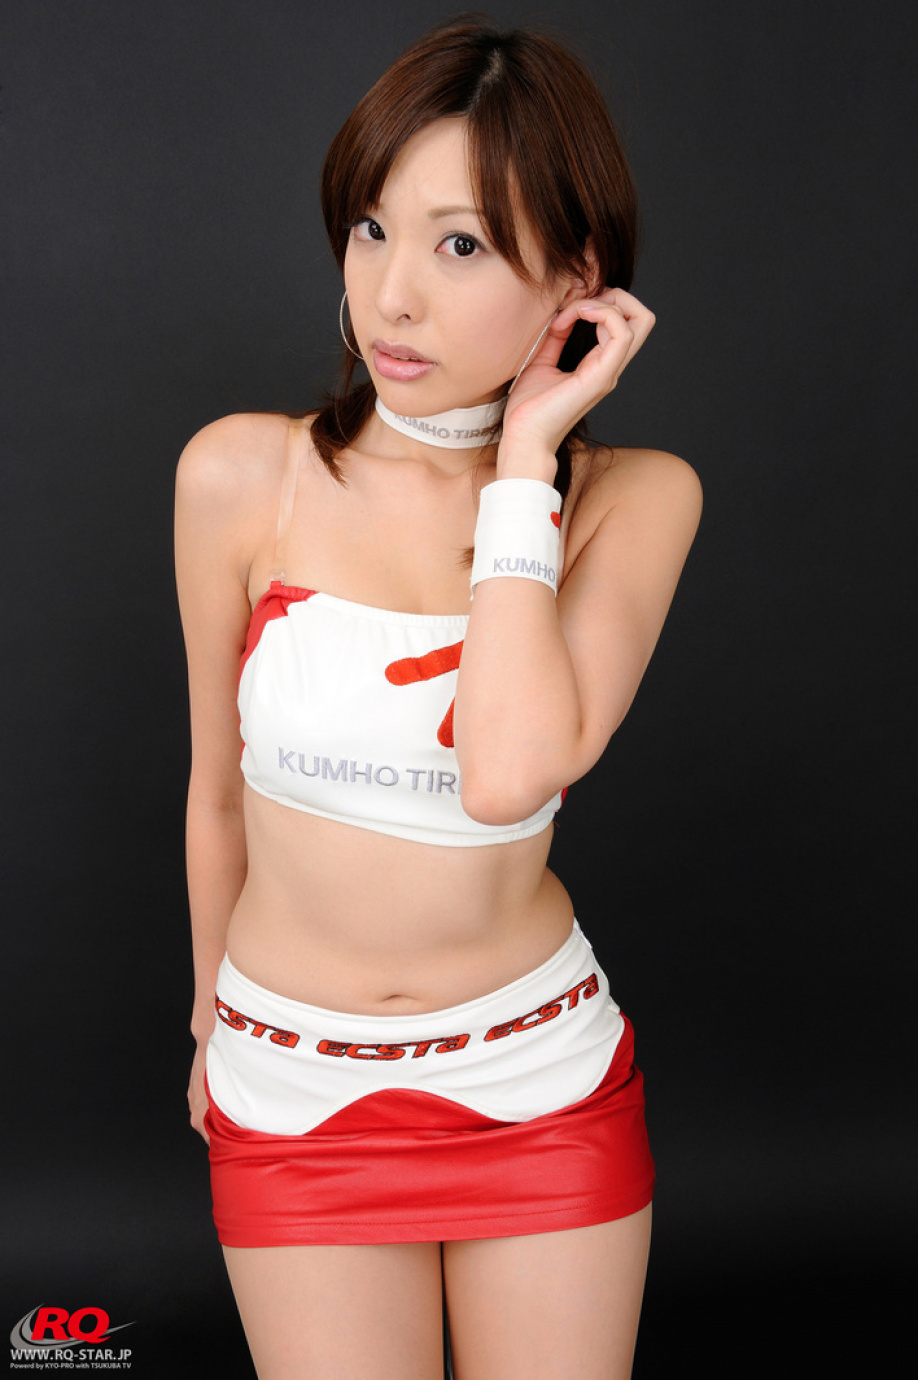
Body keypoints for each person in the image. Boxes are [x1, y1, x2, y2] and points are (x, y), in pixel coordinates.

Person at [175, 15, 701, 1380]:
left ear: (574, 279)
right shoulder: (242, 478)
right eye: (371, 229)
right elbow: (216, 795)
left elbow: (509, 772)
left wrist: (525, 460)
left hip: (535, 1082)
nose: (392, 295)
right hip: (292, 1084)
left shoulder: (632, 499)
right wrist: (211, 1025)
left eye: (459, 245)